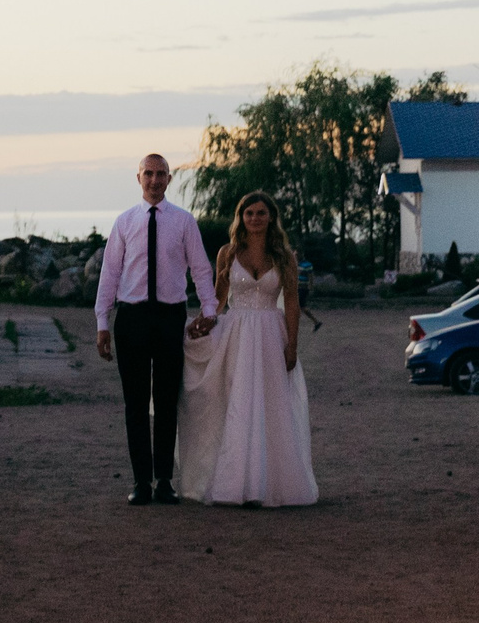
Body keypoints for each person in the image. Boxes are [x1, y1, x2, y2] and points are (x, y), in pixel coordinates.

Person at [93, 153, 218, 506]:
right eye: (148, 174)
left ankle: (164, 480)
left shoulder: (183, 222)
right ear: (138, 178)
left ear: (169, 179)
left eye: (161, 174)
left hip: (169, 317)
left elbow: (201, 269)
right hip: (131, 319)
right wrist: (103, 323)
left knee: (166, 401)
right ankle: (140, 481)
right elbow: (109, 274)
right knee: (134, 403)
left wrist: (208, 310)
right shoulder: (124, 222)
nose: (154, 180)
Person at [177, 190, 316, 507]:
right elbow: (218, 299)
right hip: (236, 334)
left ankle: (268, 485)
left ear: (271, 218)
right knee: (235, 403)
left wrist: (292, 346)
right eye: (249, 213)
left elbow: (292, 303)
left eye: (261, 213)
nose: (255, 218)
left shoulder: (284, 256)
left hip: (271, 334)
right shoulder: (228, 253)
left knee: (271, 405)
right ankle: (234, 484)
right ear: (241, 218)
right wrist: (203, 323)